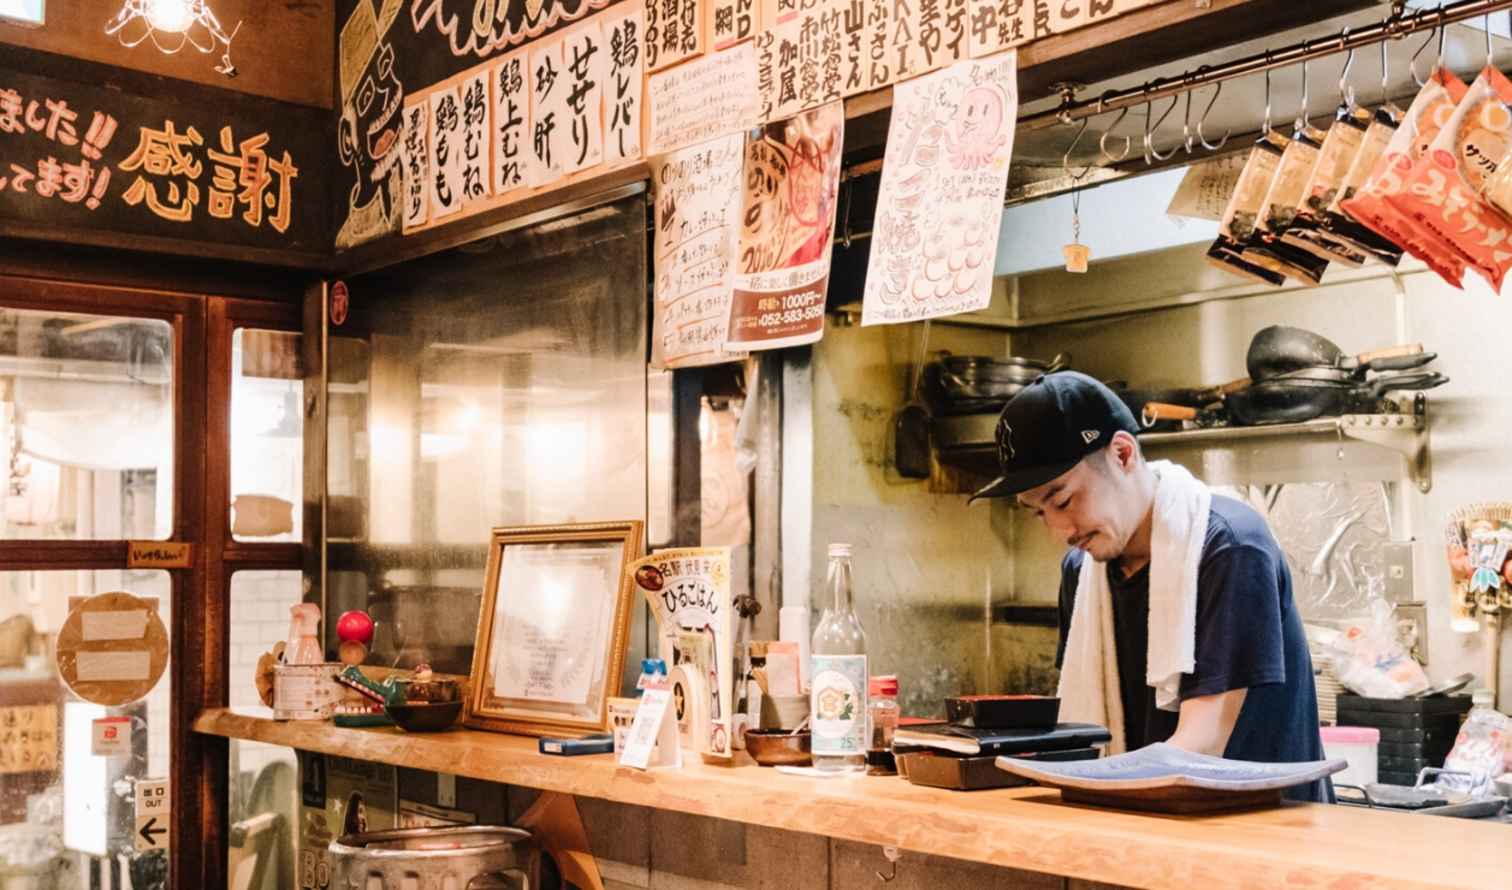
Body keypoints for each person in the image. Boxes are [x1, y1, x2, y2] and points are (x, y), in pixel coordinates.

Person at [971, 372, 1330, 802]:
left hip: (1269, 835)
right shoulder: (1082, 570)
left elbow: (1203, 743)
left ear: (1123, 453)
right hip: (1147, 829)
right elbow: (1083, 732)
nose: (1059, 530)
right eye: (1039, 513)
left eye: (1064, 500)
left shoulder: (1230, 548)